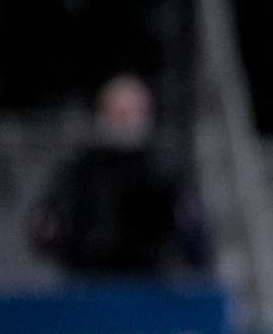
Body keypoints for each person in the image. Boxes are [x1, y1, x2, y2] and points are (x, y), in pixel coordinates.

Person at [26, 74, 207, 276]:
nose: (125, 121)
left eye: (133, 112)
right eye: (118, 113)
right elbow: (46, 226)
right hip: (88, 284)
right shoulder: (79, 171)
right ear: (102, 114)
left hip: (151, 285)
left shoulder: (166, 172)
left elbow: (194, 235)